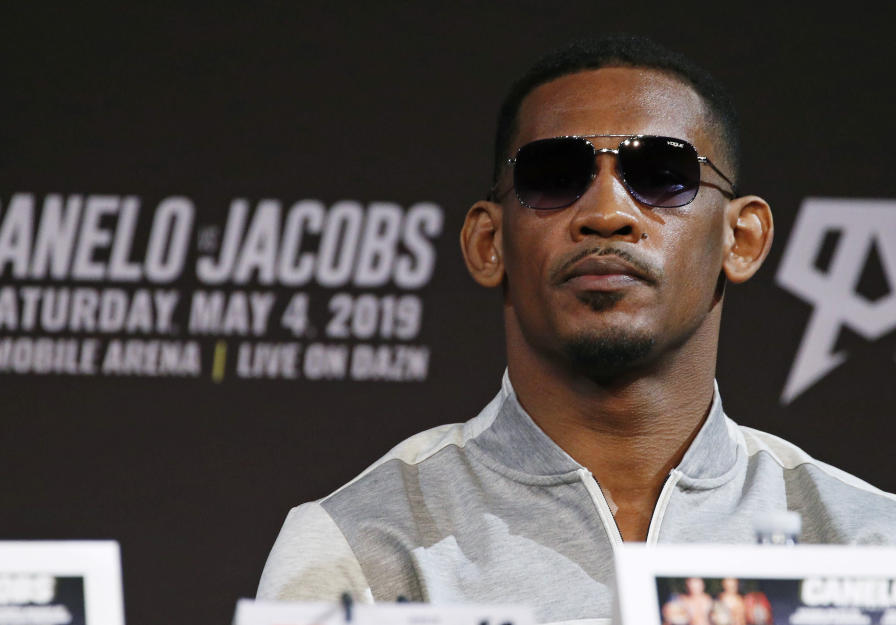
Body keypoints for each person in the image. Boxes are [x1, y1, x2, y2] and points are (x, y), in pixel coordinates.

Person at [256, 34, 896, 621]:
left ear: (743, 237)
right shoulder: (360, 543)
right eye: (554, 178)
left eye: (662, 177)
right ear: (488, 242)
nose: (607, 212)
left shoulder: (870, 544)